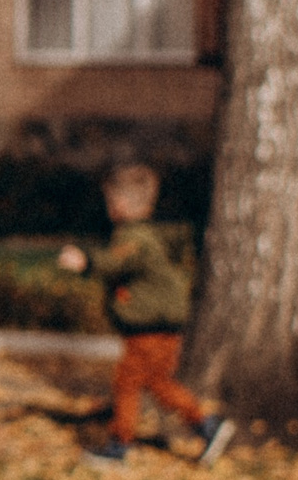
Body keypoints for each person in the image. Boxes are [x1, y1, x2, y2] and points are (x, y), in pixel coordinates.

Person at [58, 163, 231, 464]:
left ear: (121, 204)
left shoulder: (133, 237)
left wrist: (85, 261)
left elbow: (115, 262)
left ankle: (119, 444)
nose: (109, 208)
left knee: (127, 383)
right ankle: (205, 426)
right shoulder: (146, 234)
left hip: (149, 328)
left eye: (110, 201)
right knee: (158, 382)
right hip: (163, 325)